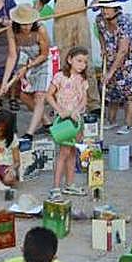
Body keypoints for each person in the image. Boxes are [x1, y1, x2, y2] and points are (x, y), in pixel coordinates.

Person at [94, 0, 132, 135]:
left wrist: (110, 72)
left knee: (129, 91)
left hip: (131, 60)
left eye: (107, 7)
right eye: (102, 7)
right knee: (111, 90)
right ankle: (111, 121)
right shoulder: (99, 20)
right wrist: (103, 47)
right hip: (112, 57)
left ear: (115, 8)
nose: (104, 11)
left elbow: (123, 50)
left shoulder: (125, 22)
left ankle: (128, 124)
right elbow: (101, 34)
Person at [46, 47, 90, 198]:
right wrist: (60, 110)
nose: (82, 64)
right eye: (79, 60)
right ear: (70, 59)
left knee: (72, 152)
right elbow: (49, 95)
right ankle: (55, 187)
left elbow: (84, 98)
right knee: (64, 153)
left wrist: (77, 110)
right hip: (64, 121)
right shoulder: (60, 77)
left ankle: (70, 184)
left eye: (84, 62)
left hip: (77, 120)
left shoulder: (82, 79)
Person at [7, 5, 52, 135]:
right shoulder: (11, 30)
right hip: (29, 62)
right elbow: (12, 56)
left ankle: (29, 133)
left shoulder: (40, 30)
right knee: (23, 95)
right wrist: (6, 82)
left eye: (29, 23)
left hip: (46, 61)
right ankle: (47, 122)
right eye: (23, 24)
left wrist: (26, 67)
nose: (27, 27)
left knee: (39, 96)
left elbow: (44, 54)